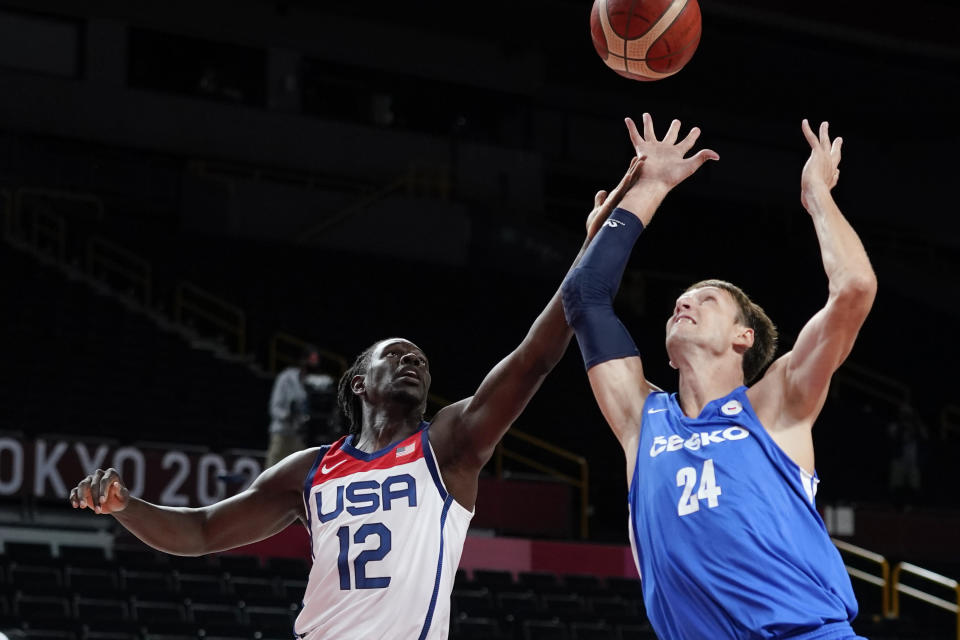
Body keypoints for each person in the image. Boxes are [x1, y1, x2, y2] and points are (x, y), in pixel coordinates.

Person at [67, 155, 646, 640]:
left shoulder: (449, 445)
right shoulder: (310, 471)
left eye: (420, 357)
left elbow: (535, 358)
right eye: (395, 354)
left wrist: (593, 249)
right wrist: (125, 506)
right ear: (358, 383)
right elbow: (200, 532)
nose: (413, 359)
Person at [561, 113, 876, 640]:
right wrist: (651, 186)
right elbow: (584, 297)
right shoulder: (643, 419)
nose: (684, 302)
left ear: (743, 337)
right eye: (681, 300)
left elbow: (854, 289)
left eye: (707, 300)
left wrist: (817, 194)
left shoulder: (777, 400)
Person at [266, 345, 338, 467]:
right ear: (302, 361)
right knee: (272, 471)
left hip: (300, 436)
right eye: (309, 361)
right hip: (282, 434)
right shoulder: (286, 378)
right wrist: (289, 415)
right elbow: (275, 408)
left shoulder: (315, 382)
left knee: (297, 472)